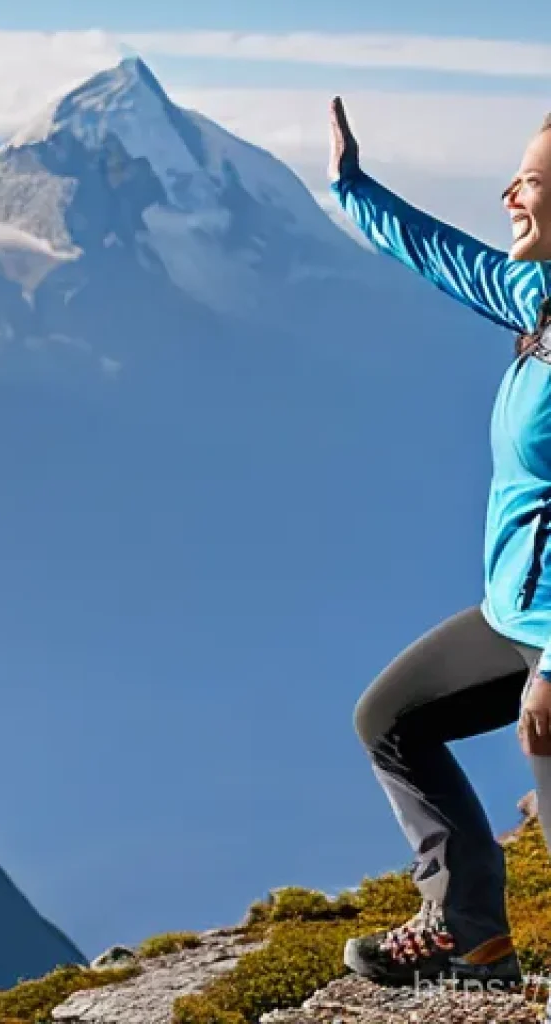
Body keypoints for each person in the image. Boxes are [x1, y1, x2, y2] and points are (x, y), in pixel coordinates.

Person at [329, 96, 551, 988]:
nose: (508, 191)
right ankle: (468, 929)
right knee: (391, 721)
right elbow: (445, 259)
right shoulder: (538, 299)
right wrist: (353, 189)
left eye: (531, 180)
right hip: (517, 613)